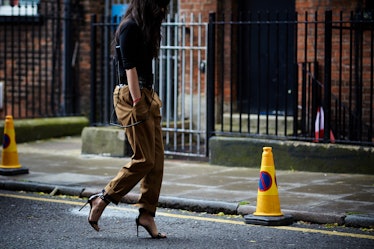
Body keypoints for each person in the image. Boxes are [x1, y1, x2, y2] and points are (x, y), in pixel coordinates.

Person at [80, 0, 170, 239]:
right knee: (144, 159)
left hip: (147, 96)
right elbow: (129, 67)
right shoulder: (130, 26)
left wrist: (147, 98)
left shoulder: (145, 27)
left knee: (157, 160)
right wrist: (138, 101)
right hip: (132, 96)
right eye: (159, 5)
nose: (162, 10)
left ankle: (146, 214)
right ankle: (102, 198)